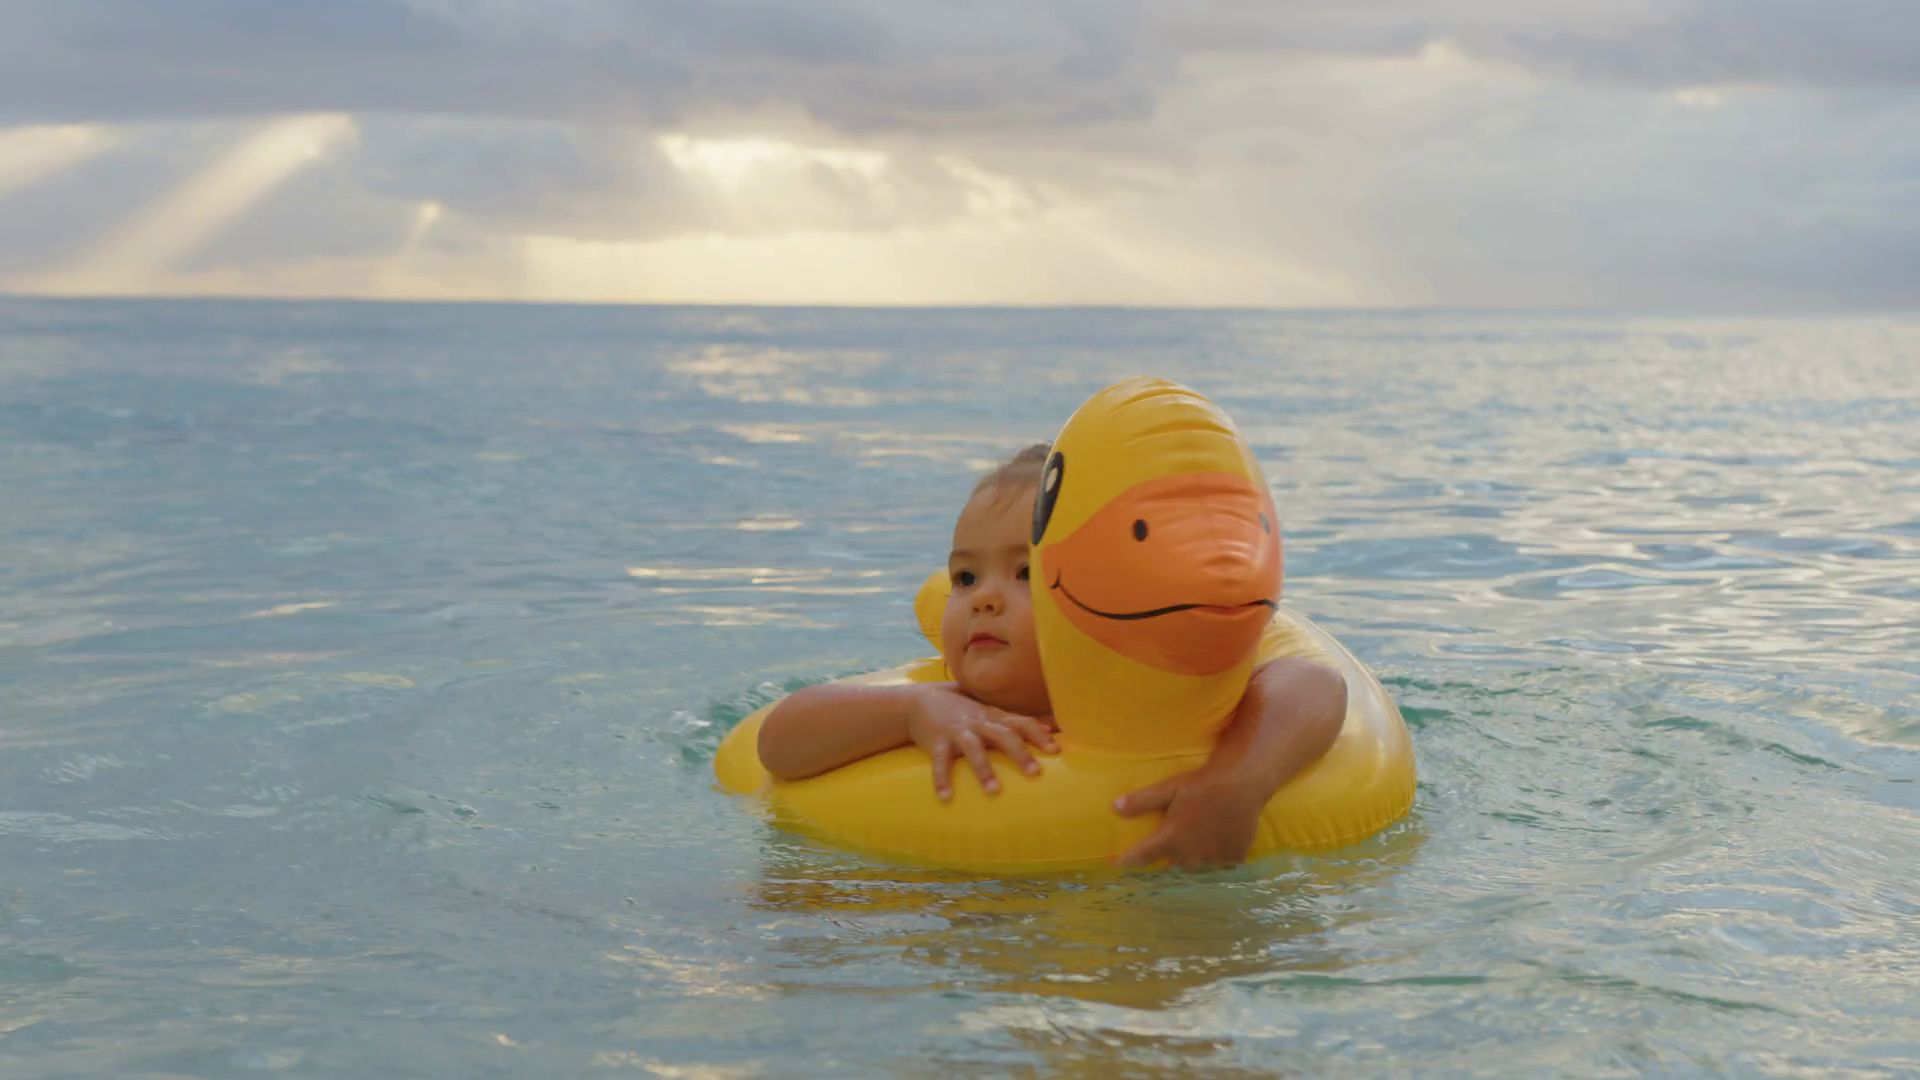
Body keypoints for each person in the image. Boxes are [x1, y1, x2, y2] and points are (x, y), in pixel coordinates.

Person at [755, 444, 1346, 868]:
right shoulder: (947, 701)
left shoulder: (1163, 700)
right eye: (964, 576)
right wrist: (909, 713)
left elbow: (1315, 685)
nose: (983, 598)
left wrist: (1238, 782)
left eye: (1025, 574)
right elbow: (779, 741)